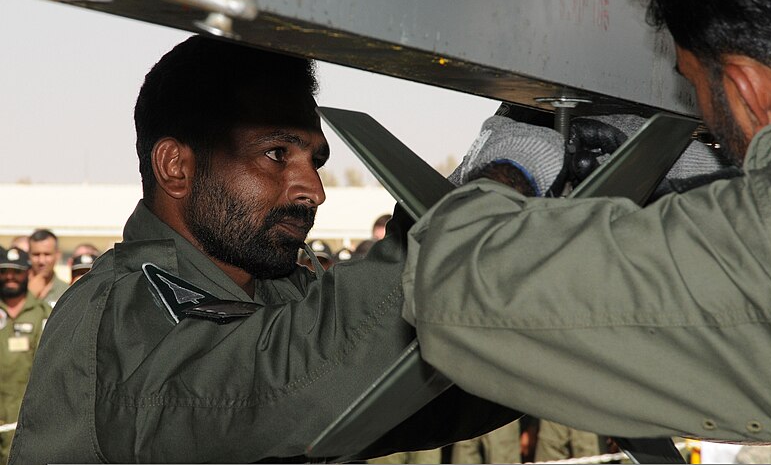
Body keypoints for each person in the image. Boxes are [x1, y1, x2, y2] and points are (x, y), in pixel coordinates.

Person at [9, 36, 517, 464]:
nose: (313, 190)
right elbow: (279, 385)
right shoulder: (122, 313)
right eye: (277, 154)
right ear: (176, 168)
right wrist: (496, 183)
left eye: (314, 160)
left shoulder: (281, 293)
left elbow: (419, 394)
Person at [401, 0, 771, 446]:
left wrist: (516, 160)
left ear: (745, 90)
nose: (700, 112)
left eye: (692, 82)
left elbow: (453, 285)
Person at [0, 247, 50, 465]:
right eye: (5, 271)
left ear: (28, 273)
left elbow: (48, 370)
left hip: (23, 420)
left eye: (17, 271)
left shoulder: (43, 313)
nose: (10, 276)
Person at [26, 229, 68, 308]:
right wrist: (29, 295)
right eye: (36, 254)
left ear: (58, 255)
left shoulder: (66, 291)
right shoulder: (16, 289)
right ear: (28, 255)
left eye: (47, 254)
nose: (41, 261)